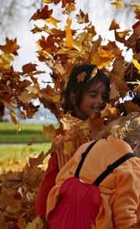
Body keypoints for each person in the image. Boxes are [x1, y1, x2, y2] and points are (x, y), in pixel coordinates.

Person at [46, 115, 140, 229]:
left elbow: (61, 178)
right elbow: (124, 214)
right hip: (94, 223)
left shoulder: (89, 146)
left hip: (62, 216)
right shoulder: (133, 167)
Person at [34, 64, 110, 217]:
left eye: (104, 96)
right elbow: (74, 181)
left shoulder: (96, 129)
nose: (100, 101)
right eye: (93, 95)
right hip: (61, 209)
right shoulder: (72, 135)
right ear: (75, 97)